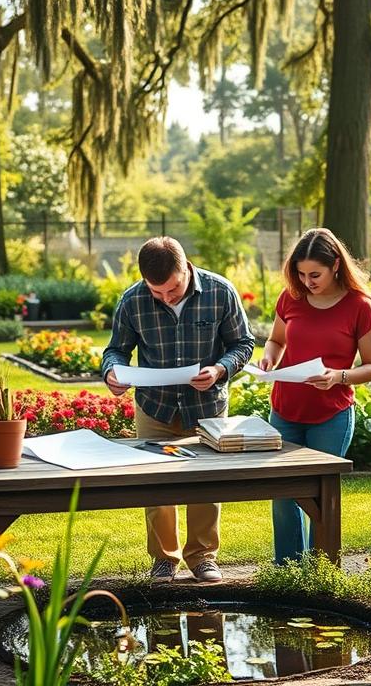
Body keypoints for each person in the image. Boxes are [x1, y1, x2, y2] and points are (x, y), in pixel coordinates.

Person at [101, 236, 255, 583]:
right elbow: (116, 350)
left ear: (186, 268)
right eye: (157, 293)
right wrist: (111, 371)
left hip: (207, 408)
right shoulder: (132, 300)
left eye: (172, 290)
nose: (165, 298)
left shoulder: (220, 292)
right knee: (156, 485)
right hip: (154, 408)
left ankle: (202, 557)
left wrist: (220, 369)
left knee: (206, 484)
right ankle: (164, 560)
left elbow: (243, 343)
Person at [258, 228, 371, 564]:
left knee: (319, 494)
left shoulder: (360, 307)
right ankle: (287, 570)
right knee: (283, 493)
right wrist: (269, 356)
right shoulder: (291, 298)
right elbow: (276, 340)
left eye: (315, 274)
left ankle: (321, 570)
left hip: (331, 415)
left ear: (336, 266)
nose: (307, 280)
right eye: (300, 273)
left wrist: (338, 377)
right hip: (285, 410)